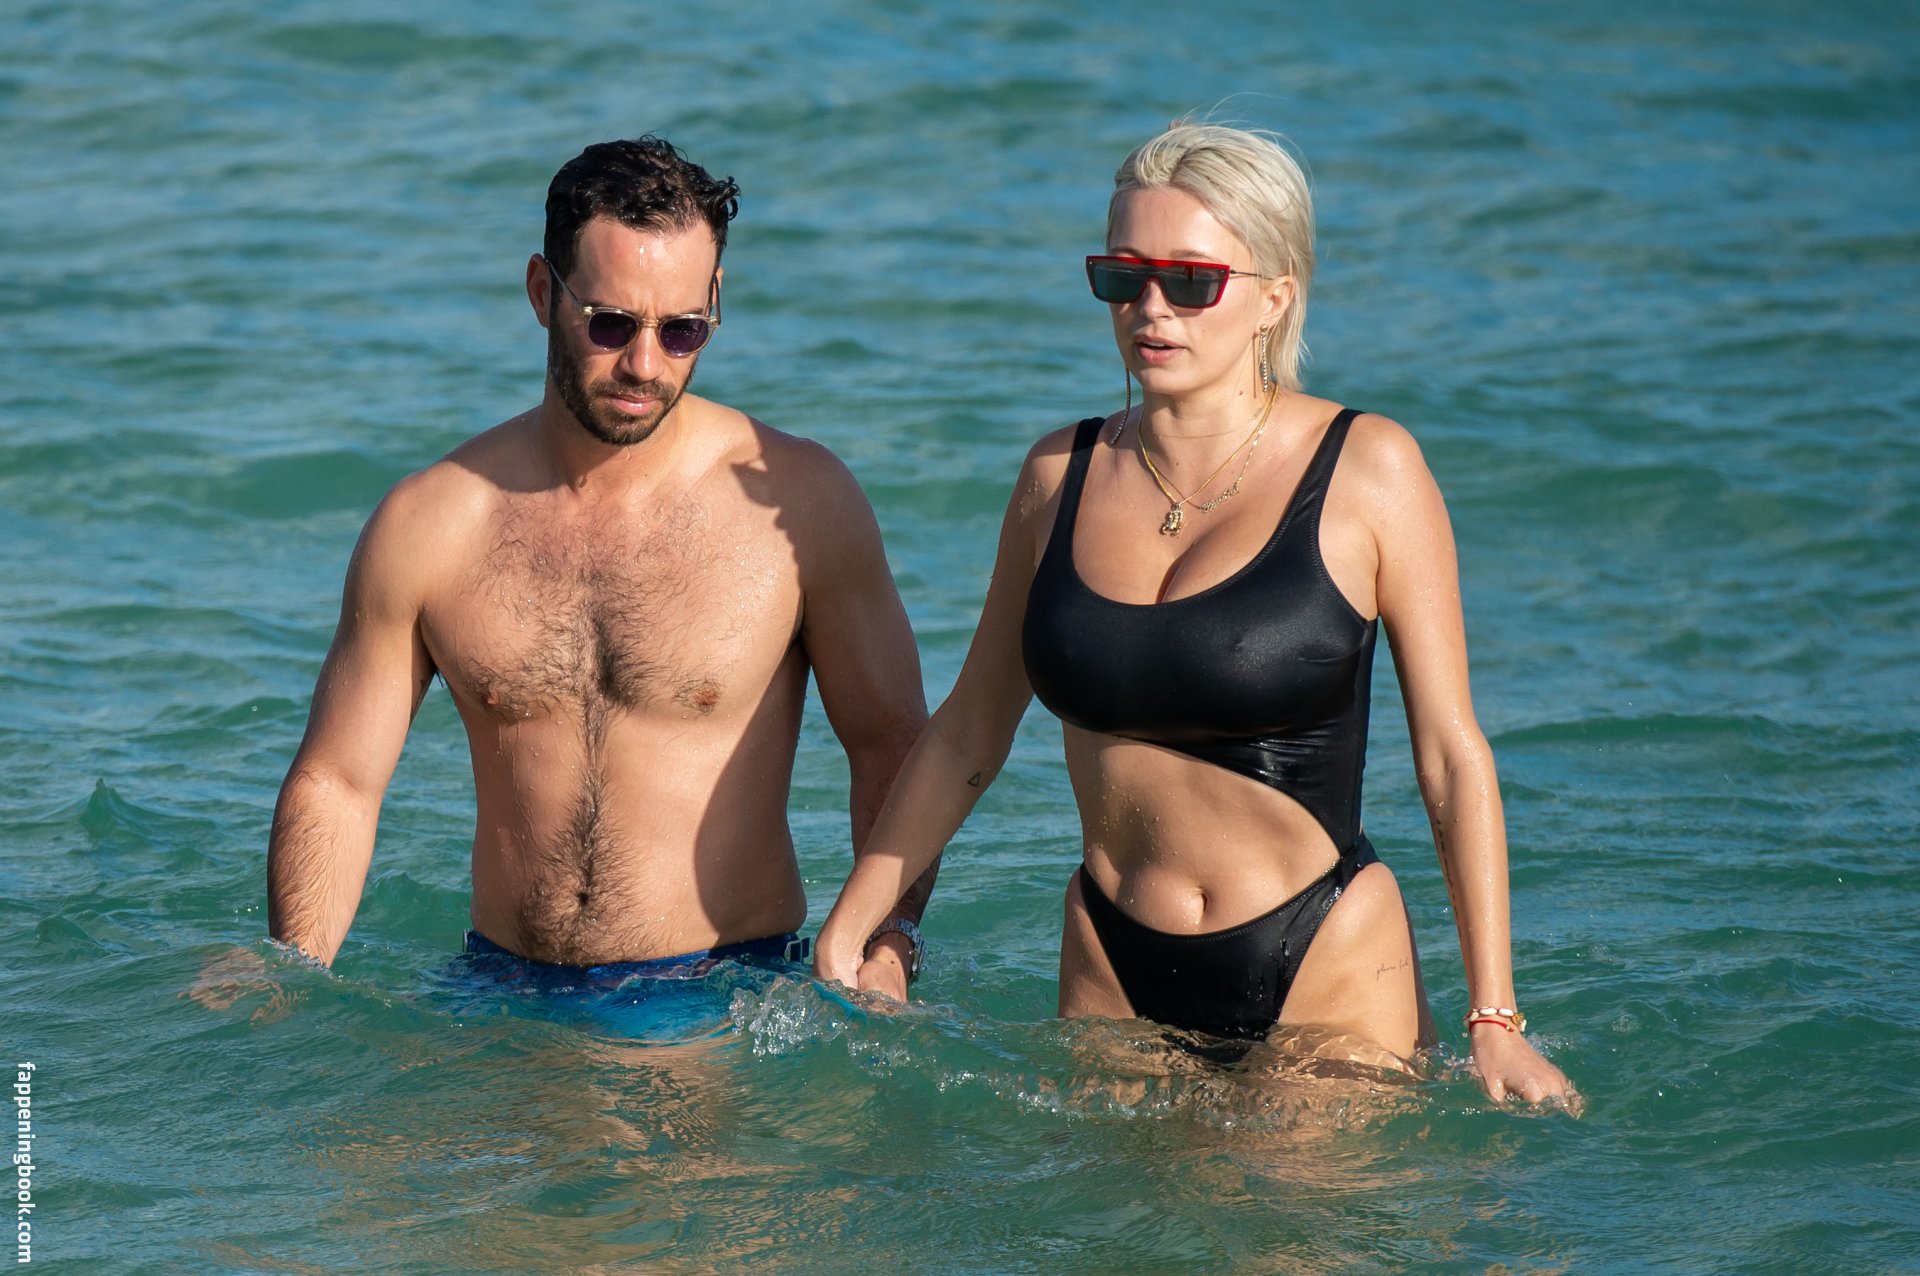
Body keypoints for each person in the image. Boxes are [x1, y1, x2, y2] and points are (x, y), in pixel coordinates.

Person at [816, 122, 1577, 1104]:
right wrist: (855, 929)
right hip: (1110, 959)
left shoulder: (1369, 470)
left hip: (1325, 954)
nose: (1150, 309)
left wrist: (1494, 1019)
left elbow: (1450, 754)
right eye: (1121, 277)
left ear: (1275, 296)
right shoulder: (1058, 476)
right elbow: (969, 730)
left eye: (1189, 281)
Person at [267, 136, 936, 1001]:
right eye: (611, 324)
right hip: (496, 991)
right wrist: (289, 976)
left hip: (724, 996)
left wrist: (889, 943)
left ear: (715, 302)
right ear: (543, 292)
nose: (645, 366)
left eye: (683, 330)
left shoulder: (801, 507)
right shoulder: (429, 523)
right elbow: (340, 781)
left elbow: (891, 745)